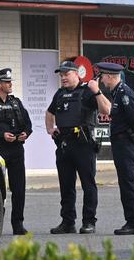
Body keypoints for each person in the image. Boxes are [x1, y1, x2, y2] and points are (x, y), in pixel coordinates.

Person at [45, 61, 111, 234]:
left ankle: (89, 222)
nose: (63, 78)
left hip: (83, 144)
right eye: (61, 75)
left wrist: (97, 90)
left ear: (77, 74)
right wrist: (50, 129)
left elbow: (106, 110)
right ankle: (68, 222)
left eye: (66, 74)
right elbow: (49, 112)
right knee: (66, 186)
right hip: (64, 145)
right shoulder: (59, 94)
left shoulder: (87, 92)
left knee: (88, 185)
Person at [96, 62, 134, 235]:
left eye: (103, 75)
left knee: (128, 184)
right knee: (125, 183)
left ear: (110, 76)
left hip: (126, 144)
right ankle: (133, 221)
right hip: (121, 144)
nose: (101, 79)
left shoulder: (124, 93)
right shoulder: (117, 92)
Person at [0, 68, 33, 235]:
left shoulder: (16, 102)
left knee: (19, 189)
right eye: (7, 82)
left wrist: (26, 133)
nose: (10, 85)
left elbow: (28, 123)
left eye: (10, 82)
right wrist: (2, 135)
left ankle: (18, 224)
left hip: (17, 149)